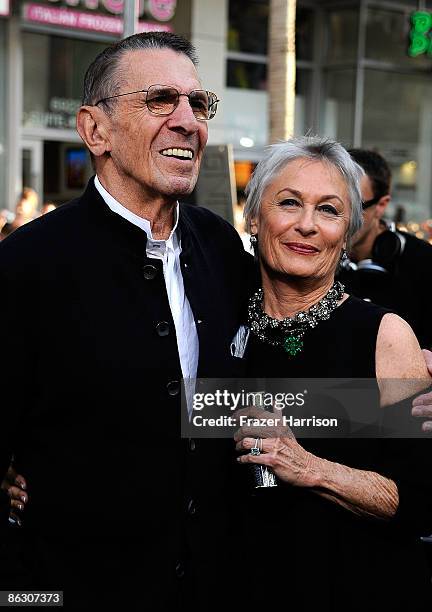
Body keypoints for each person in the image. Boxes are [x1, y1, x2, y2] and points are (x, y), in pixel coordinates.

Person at [0, 32, 253, 609]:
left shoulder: (220, 247)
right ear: (96, 131)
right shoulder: (26, 266)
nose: (188, 121)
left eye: (198, 104)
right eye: (161, 100)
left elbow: (255, 395)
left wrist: (393, 403)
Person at [233, 136, 432, 610]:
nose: (307, 225)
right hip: (240, 585)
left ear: (346, 233)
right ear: (254, 218)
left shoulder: (384, 335)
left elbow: (418, 500)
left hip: (356, 589)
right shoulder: (218, 320)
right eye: (289, 202)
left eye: (329, 210)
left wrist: (309, 468)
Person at [338, 149, 432, 349]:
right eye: (329, 206)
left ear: (381, 205)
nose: (341, 219)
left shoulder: (424, 262)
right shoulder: (312, 257)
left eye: (354, 207)